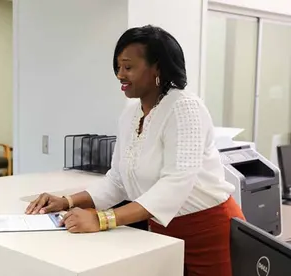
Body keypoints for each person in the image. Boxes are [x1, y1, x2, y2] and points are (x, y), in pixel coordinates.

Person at [25, 25, 245, 276]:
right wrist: (67, 201)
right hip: (162, 234)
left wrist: (102, 219)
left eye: (128, 67)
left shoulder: (184, 108)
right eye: (118, 67)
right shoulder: (131, 113)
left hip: (208, 232)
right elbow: (118, 180)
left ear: (158, 68)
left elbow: (175, 184)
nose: (120, 74)